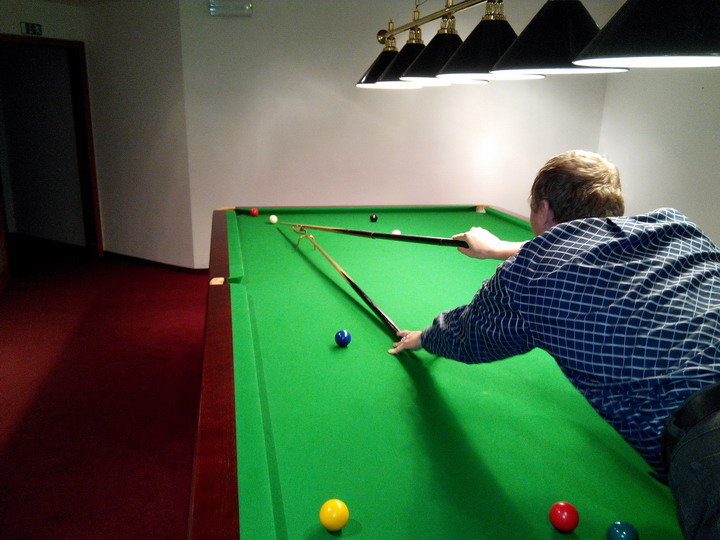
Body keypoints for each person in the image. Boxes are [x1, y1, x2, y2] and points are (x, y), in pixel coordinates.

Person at [389, 150, 720, 539]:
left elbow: (469, 336)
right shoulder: (676, 226)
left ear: (543, 209)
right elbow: (587, 246)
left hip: (708, 441)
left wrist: (424, 337)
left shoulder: (530, 274)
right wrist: (498, 248)